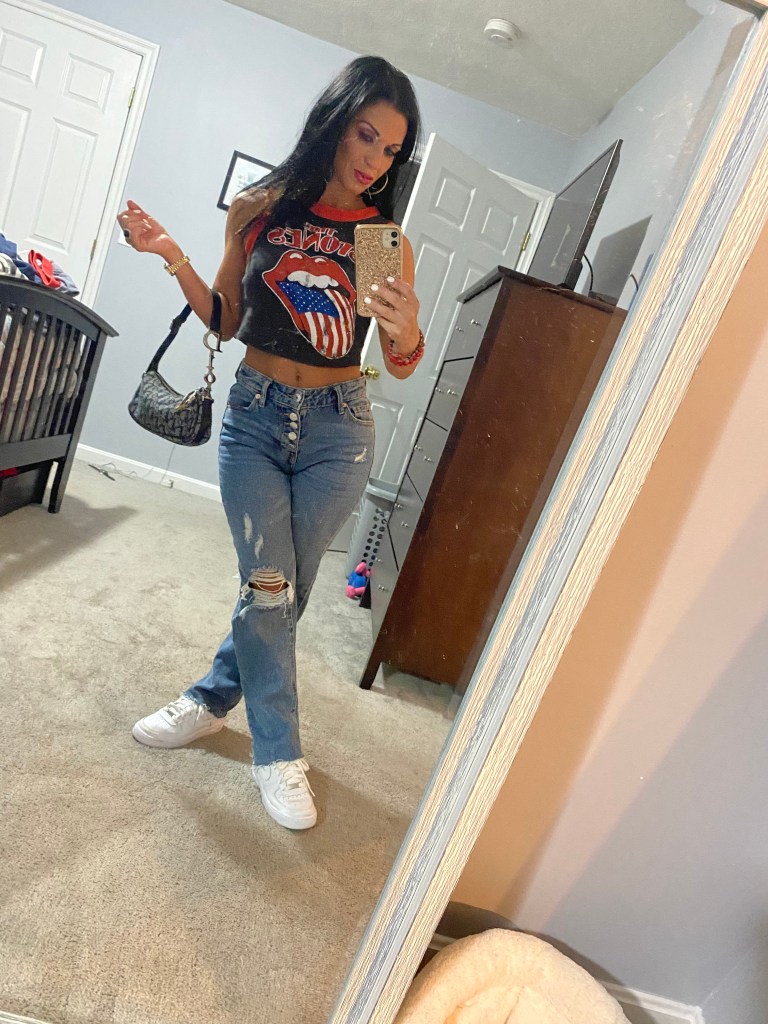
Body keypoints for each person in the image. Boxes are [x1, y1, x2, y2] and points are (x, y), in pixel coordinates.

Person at [119, 56, 424, 831]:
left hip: (339, 429)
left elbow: (399, 360)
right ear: (335, 121)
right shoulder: (258, 208)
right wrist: (172, 255)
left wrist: (408, 331)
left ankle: (210, 699)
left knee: (285, 589)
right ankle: (278, 753)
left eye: (391, 149)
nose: (375, 159)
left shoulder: (380, 238)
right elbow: (225, 320)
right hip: (255, 415)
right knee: (268, 584)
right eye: (366, 135)